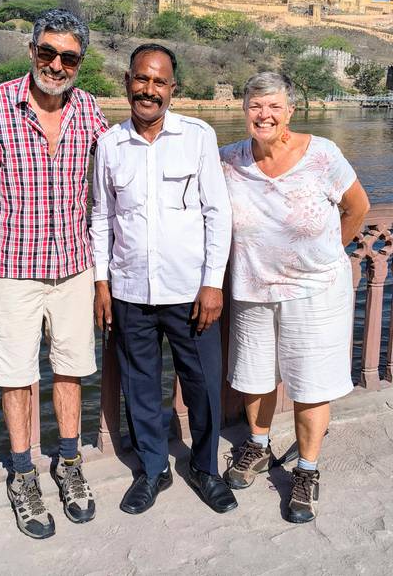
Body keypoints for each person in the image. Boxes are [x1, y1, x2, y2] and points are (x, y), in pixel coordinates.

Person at [0, 9, 108, 539]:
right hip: (12, 270)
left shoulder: (89, 109)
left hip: (75, 266)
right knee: (13, 376)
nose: (57, 65)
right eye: (48, 53)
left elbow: (122, 164)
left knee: (71, 369)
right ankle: (24, 474)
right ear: (32, 52)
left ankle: (70, 466)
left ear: (79, 62)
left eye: (69, 57)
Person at [90, 43, 237, 515]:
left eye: (159, 82)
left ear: (173, 89)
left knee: (203, 386)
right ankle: (153, 469)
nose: (148, 90)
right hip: (130, 289)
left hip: (190, 292)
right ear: (127, 81)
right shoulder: (110, 145)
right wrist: (101, 283)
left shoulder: (197, 137)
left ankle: (204, 467)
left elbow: (218, 213)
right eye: (141, 79)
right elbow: (100, 217)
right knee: (141, 386)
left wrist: (212, 283)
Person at [220, 71, 370, 523]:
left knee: (310, 383)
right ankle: (259, 445)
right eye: (255, 105)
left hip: (316, 291)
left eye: (274, 106)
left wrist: (326, 255)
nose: (263, 115)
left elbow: (357, 208)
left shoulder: (321, 154)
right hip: (253, 286)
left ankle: (306, 469)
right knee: (255, 375)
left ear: (290, 111)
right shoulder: (228, 160)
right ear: (243, 110)